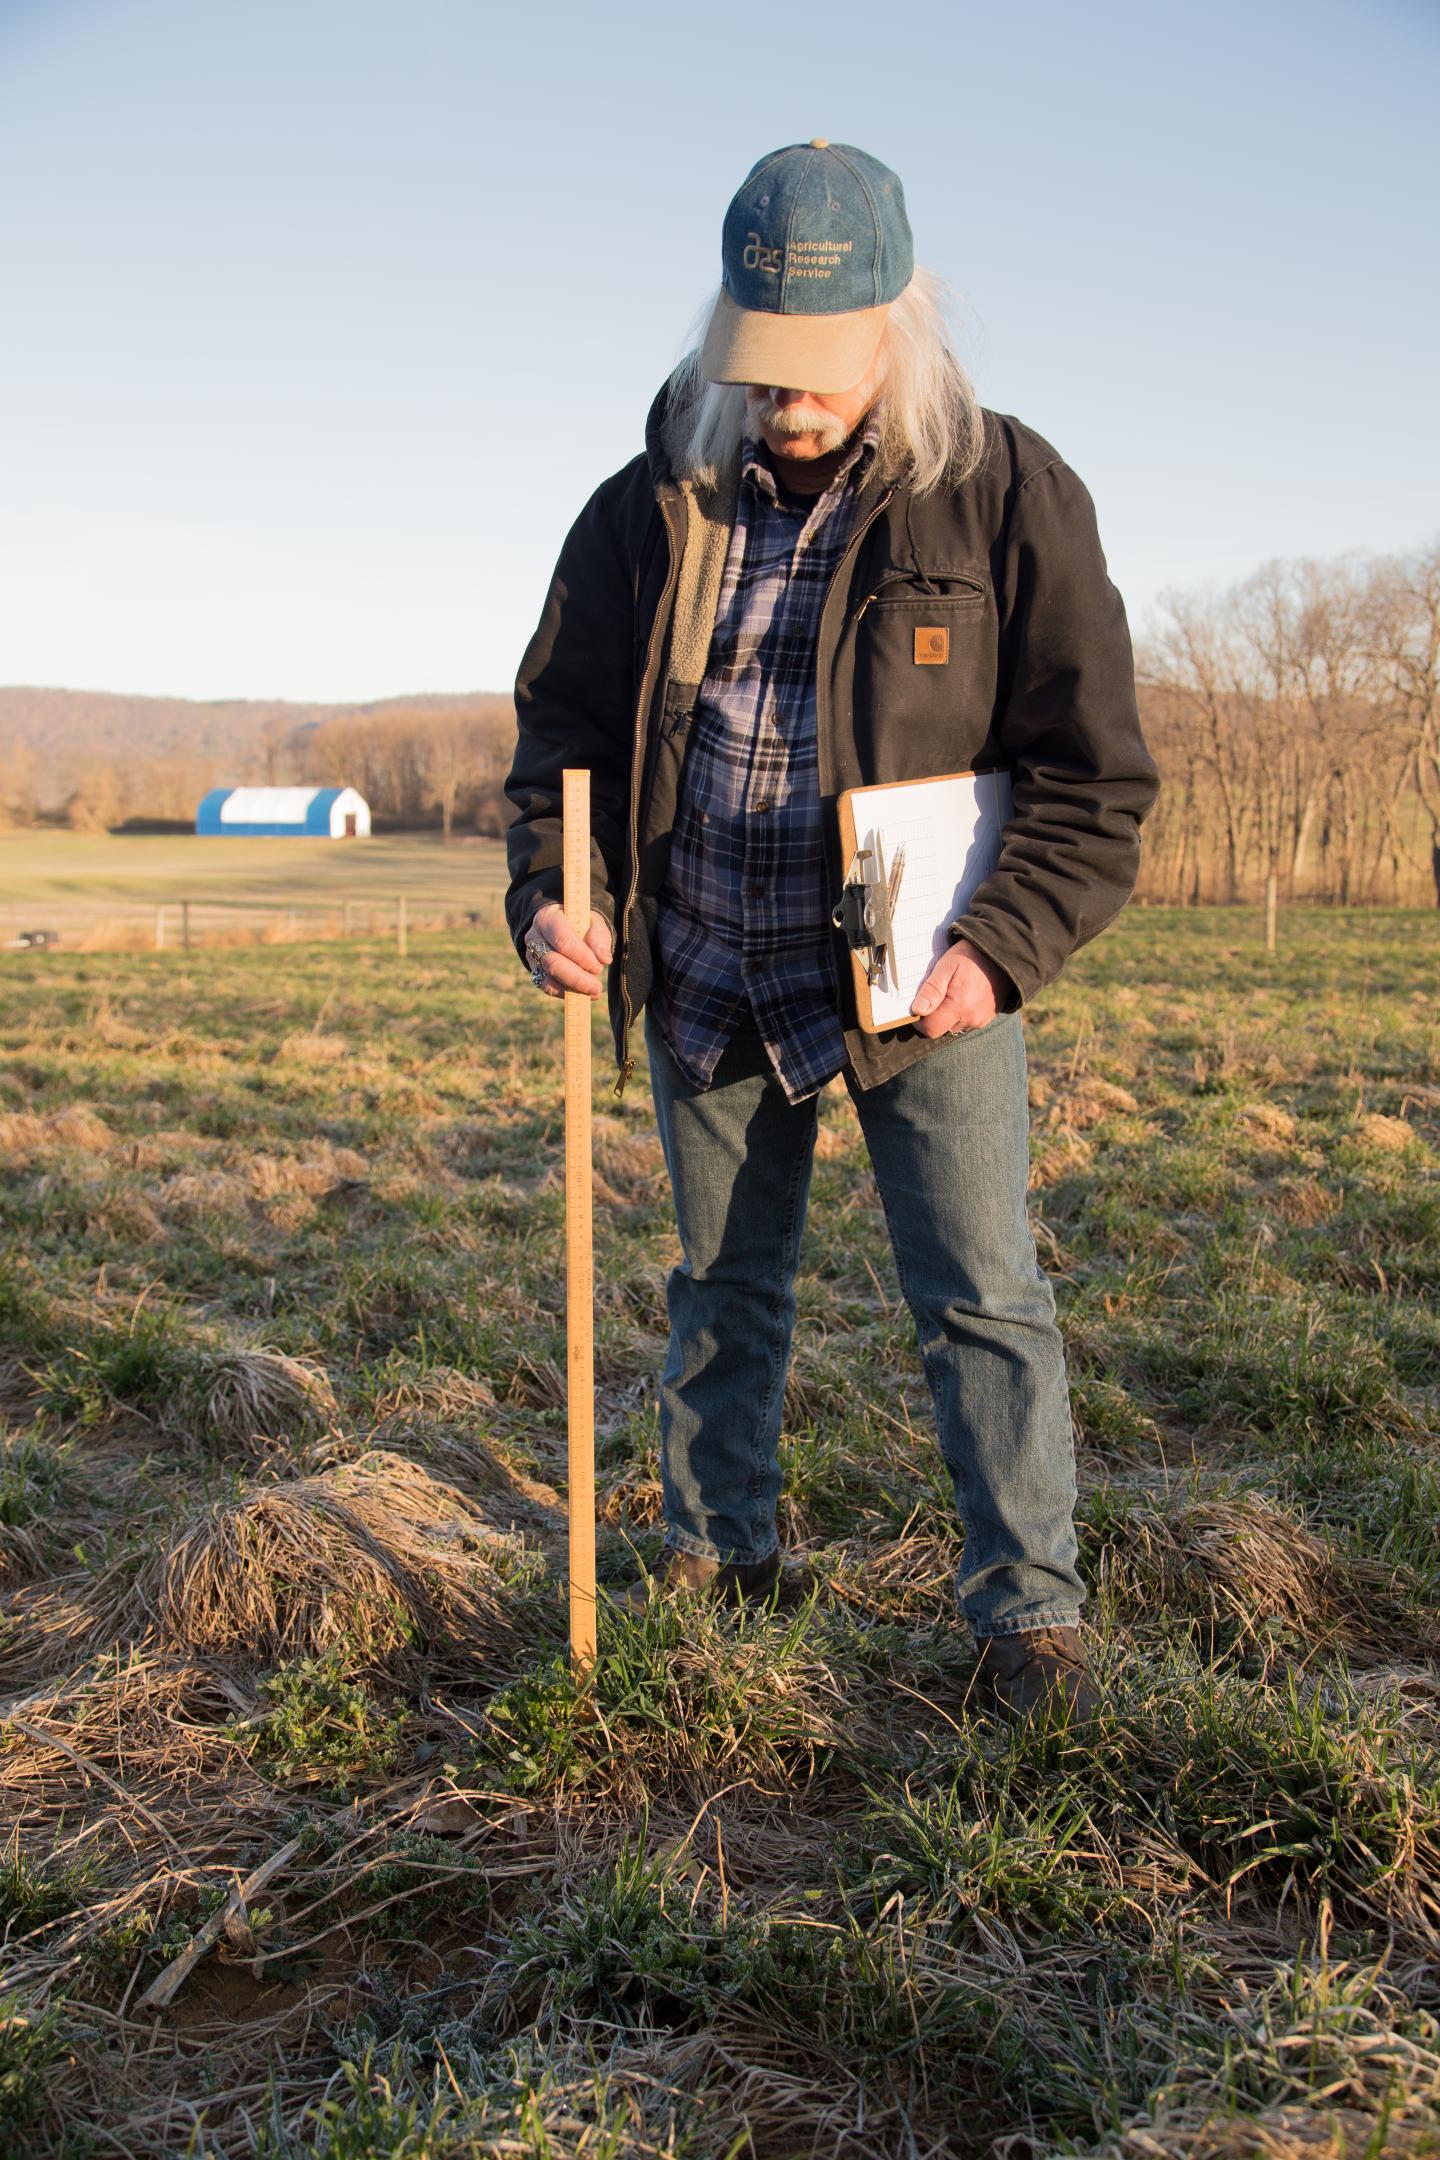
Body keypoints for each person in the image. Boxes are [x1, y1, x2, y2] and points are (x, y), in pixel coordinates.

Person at [505, 140, 1159, 1729]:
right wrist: (550, 892)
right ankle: (720, 1556)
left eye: (820, 366)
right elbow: (563, 736)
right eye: (762, 365)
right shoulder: (650, 502)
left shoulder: (1007, 493)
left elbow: (1097, 778)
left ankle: (1031, 1621)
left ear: (896, 326)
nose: (787, 399)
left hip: (923, 977)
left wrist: (999, 949)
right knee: (722, 1285)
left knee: (980, 1294)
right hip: (710, 962)